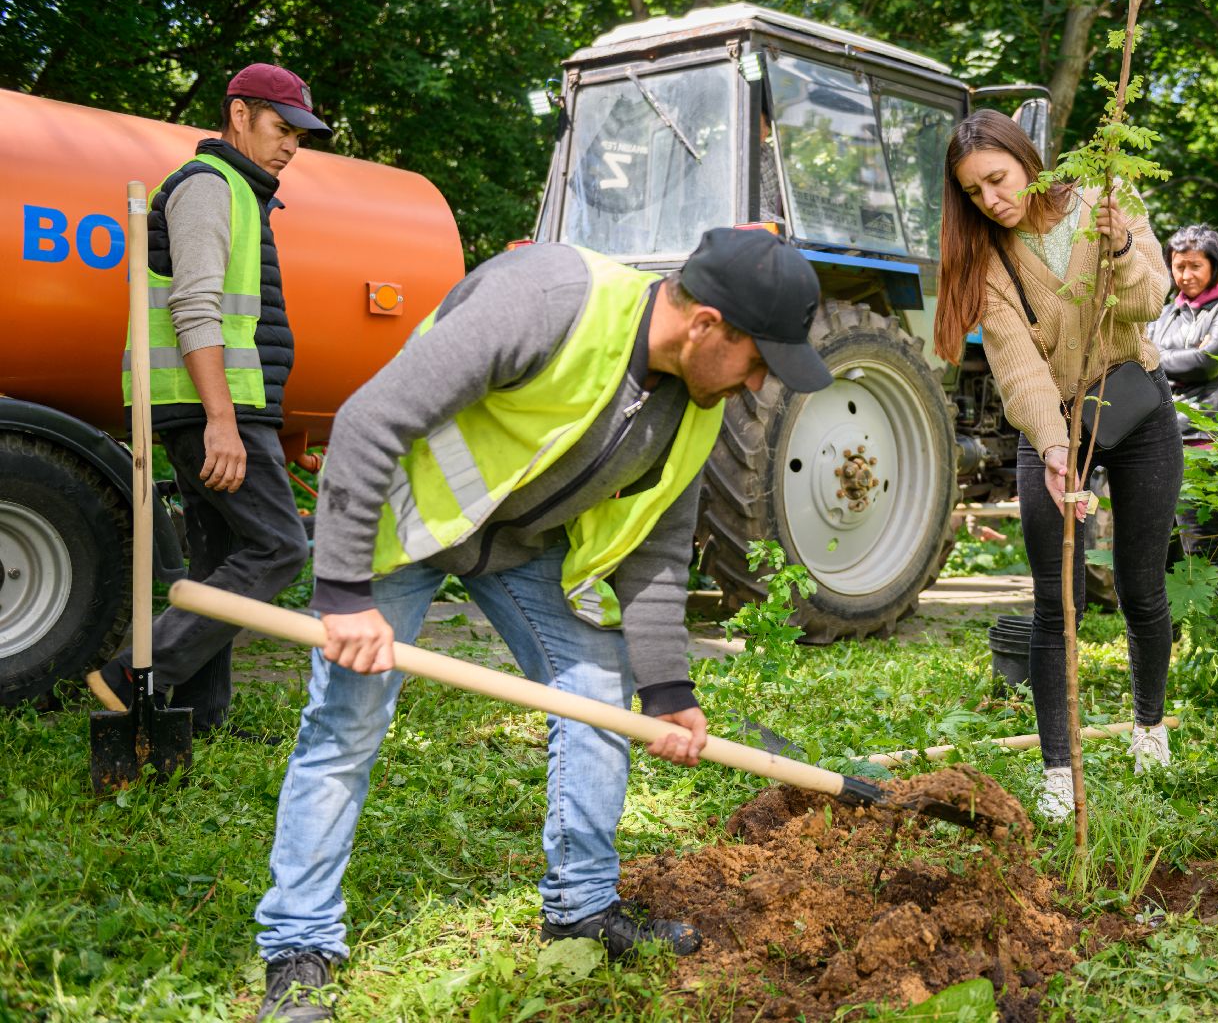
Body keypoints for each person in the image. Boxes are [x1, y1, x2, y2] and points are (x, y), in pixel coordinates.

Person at [253, 228, 831, 1022]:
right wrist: (345, 592)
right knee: (347, 724)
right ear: (707, 325)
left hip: (521, 545)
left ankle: (581, 909)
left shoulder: (698, 407)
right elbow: (369, 421)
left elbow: (658, 549)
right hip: (408, 525)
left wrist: (667, 689)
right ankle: (298, 945)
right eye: (758, 361)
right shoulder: (550, 300)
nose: (758, 385)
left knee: (596, 696)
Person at [934, 110, 1180, 819]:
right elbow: (1017, 366)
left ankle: (1149, 728)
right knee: (1053, 602)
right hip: (1055, 424)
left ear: (1026, 160)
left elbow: (1148, 302)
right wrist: (1051, 447)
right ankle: (1058, 773)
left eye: (997, 179)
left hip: (1136, 407)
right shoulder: (990, 261)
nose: (991, 200)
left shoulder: (1105, 200)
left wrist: (1121, 244)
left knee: (1140, 587)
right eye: (974, 192)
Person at [90, 64, 332, 738]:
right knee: (280, 547)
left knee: (217, 564)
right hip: (212, 408)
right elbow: (194, 307)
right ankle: (133, 676)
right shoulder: (208, 186)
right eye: (281, 128)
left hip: (222, 405)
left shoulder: (242, 193)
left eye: (299, 136)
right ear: (239, 115)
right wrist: (223, 420)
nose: (291, 146)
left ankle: (199, 720)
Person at [1147, 224, 1218, 613]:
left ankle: (1215, 631)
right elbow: (1140, 356)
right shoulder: (1168, 312)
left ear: (1214, 265)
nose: (1186, 275)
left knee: (1202, 543)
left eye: (1195, 266)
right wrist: (1182, 356)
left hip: (1206, 438)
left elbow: (1207, 364)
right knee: (1163, 543)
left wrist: (1158, 357)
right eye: (1179, 266)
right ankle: (1170, 629)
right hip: (1162, 436)